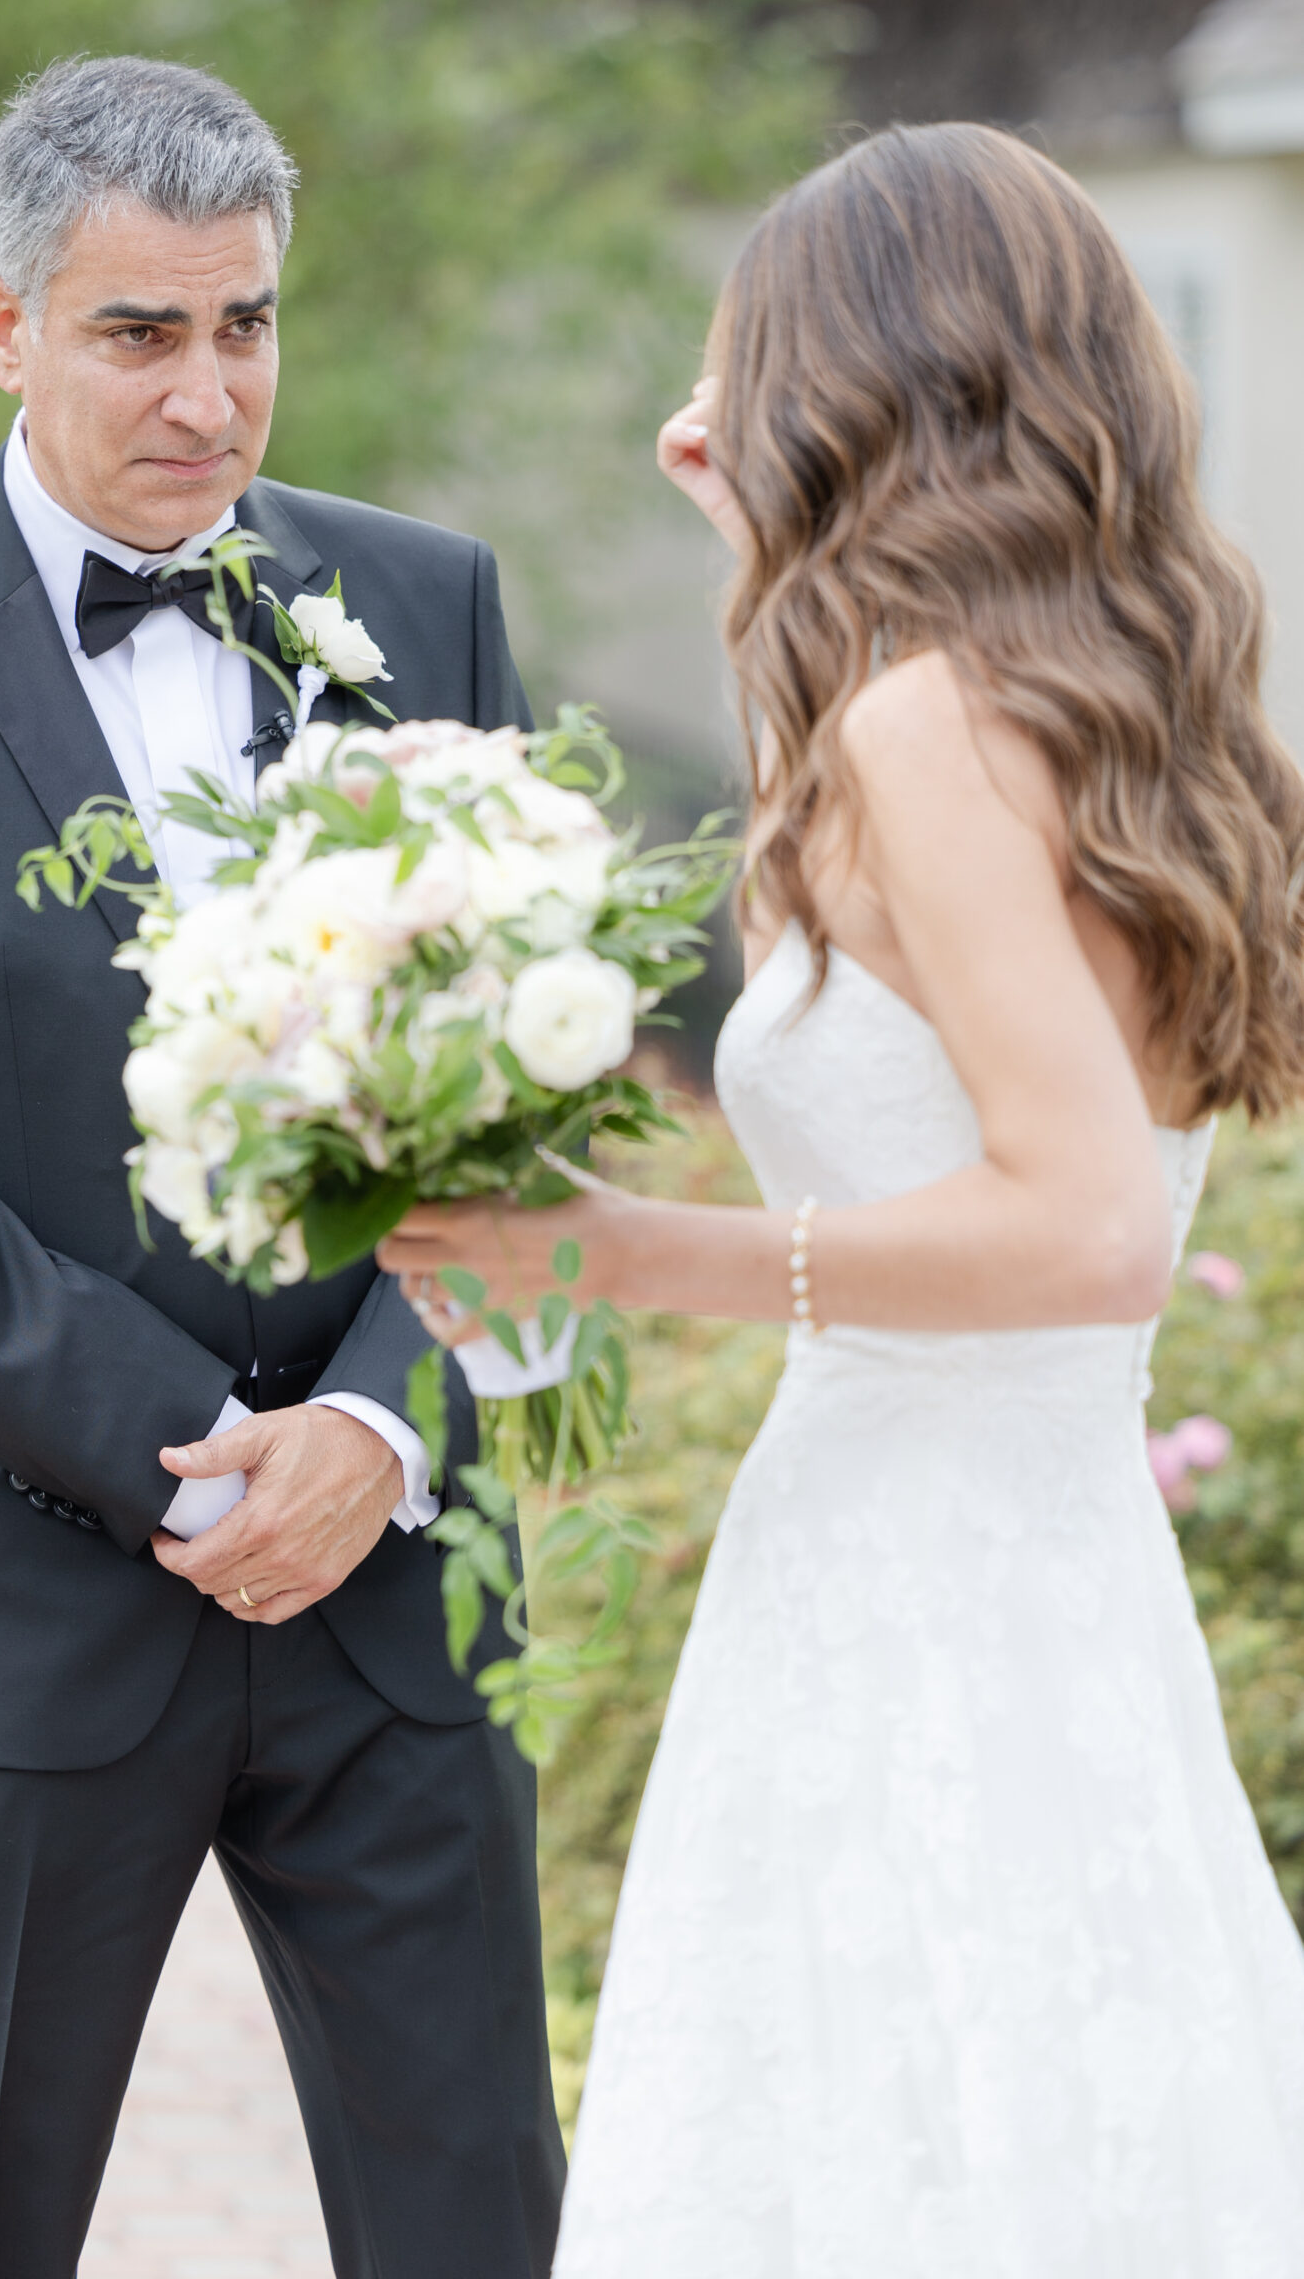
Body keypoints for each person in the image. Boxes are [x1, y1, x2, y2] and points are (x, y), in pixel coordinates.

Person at [383, 123, 1304, 2273]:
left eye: (749, 357)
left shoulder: (923, 730)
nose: (713, 405)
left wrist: (623, 1251)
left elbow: (1088, 1233)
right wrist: (762, 566)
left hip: (912, 1576)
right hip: (1044, 1570)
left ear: (849, 385)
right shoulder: (1107, 718)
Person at [0, 54, 564, 2279]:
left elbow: (517, 1096)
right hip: (28, 1607)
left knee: (478, 2223)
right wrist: (196, 1462)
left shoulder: (430, 605)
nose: (210, 393)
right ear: (1, 325)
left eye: (246, 323)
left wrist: (374, 1430)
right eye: (139, 332)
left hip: (396, 1598)